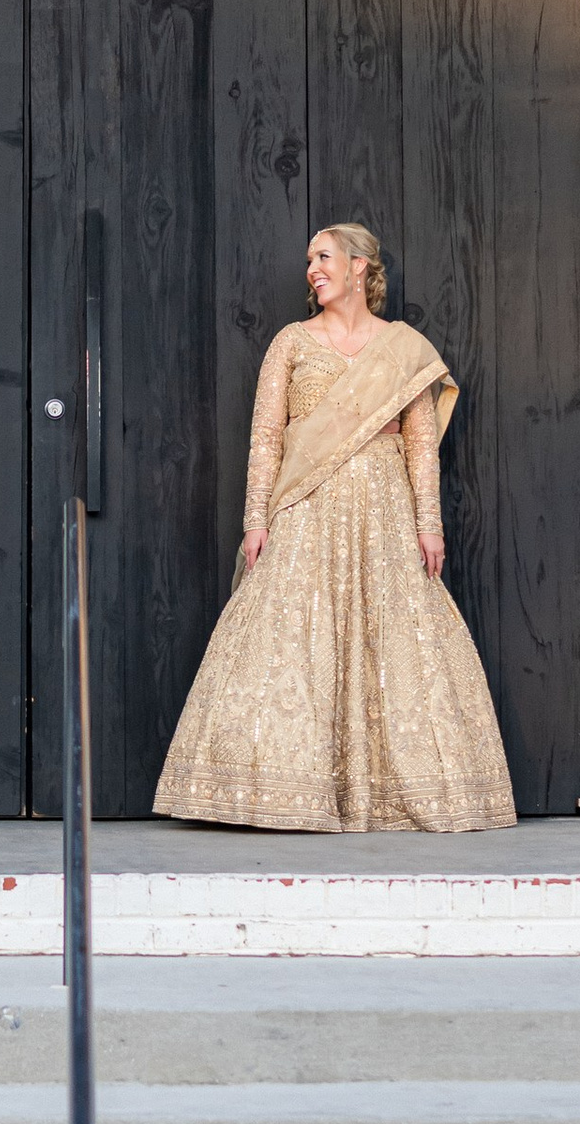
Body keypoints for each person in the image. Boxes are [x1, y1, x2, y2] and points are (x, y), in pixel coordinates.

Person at [154, 220, 516, 835]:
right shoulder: (291, 343)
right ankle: (281, 788)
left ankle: (397, 790)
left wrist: (429, 523)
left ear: (358, 266)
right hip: (306, 504)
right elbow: (266, 439)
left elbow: (420, 446)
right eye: (309, 260)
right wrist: (256, 518)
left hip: (383, 508)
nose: (312, 270)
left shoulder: (403, 348)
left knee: (396, 638)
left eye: (323, 257)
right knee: (293, 636)